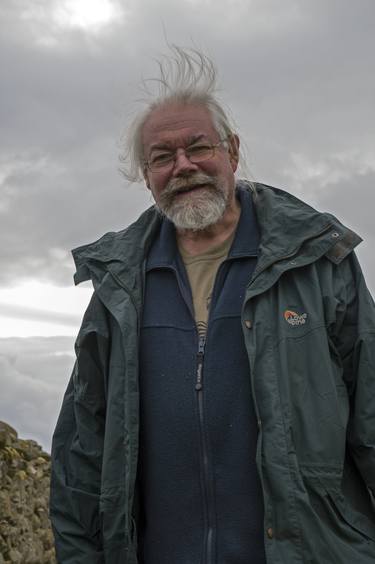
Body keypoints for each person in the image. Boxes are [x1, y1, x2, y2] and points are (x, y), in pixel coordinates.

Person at [49, 47, 375, 564]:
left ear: (233, 151)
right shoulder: (118, 287)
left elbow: (371, 413)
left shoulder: (316, 259)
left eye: (198, 147)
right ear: (146, 173)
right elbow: (81, 449)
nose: (183, 166)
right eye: (162, 156)